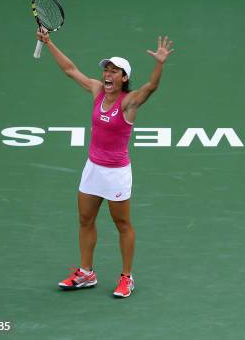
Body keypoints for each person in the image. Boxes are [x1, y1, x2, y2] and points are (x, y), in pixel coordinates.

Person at [35, 28, 174, 298]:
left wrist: (159, 64)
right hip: (93, 169)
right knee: (85, 219)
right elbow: (71, 70)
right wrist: (49, 43)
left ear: (124, 78)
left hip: (117, 174)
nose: (108, 75)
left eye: (114, 72)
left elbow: (151, 87)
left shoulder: (129, 103)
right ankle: (86, 273)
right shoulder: (97, 90)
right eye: (106, 70)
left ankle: (126, 277)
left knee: (122, 224)